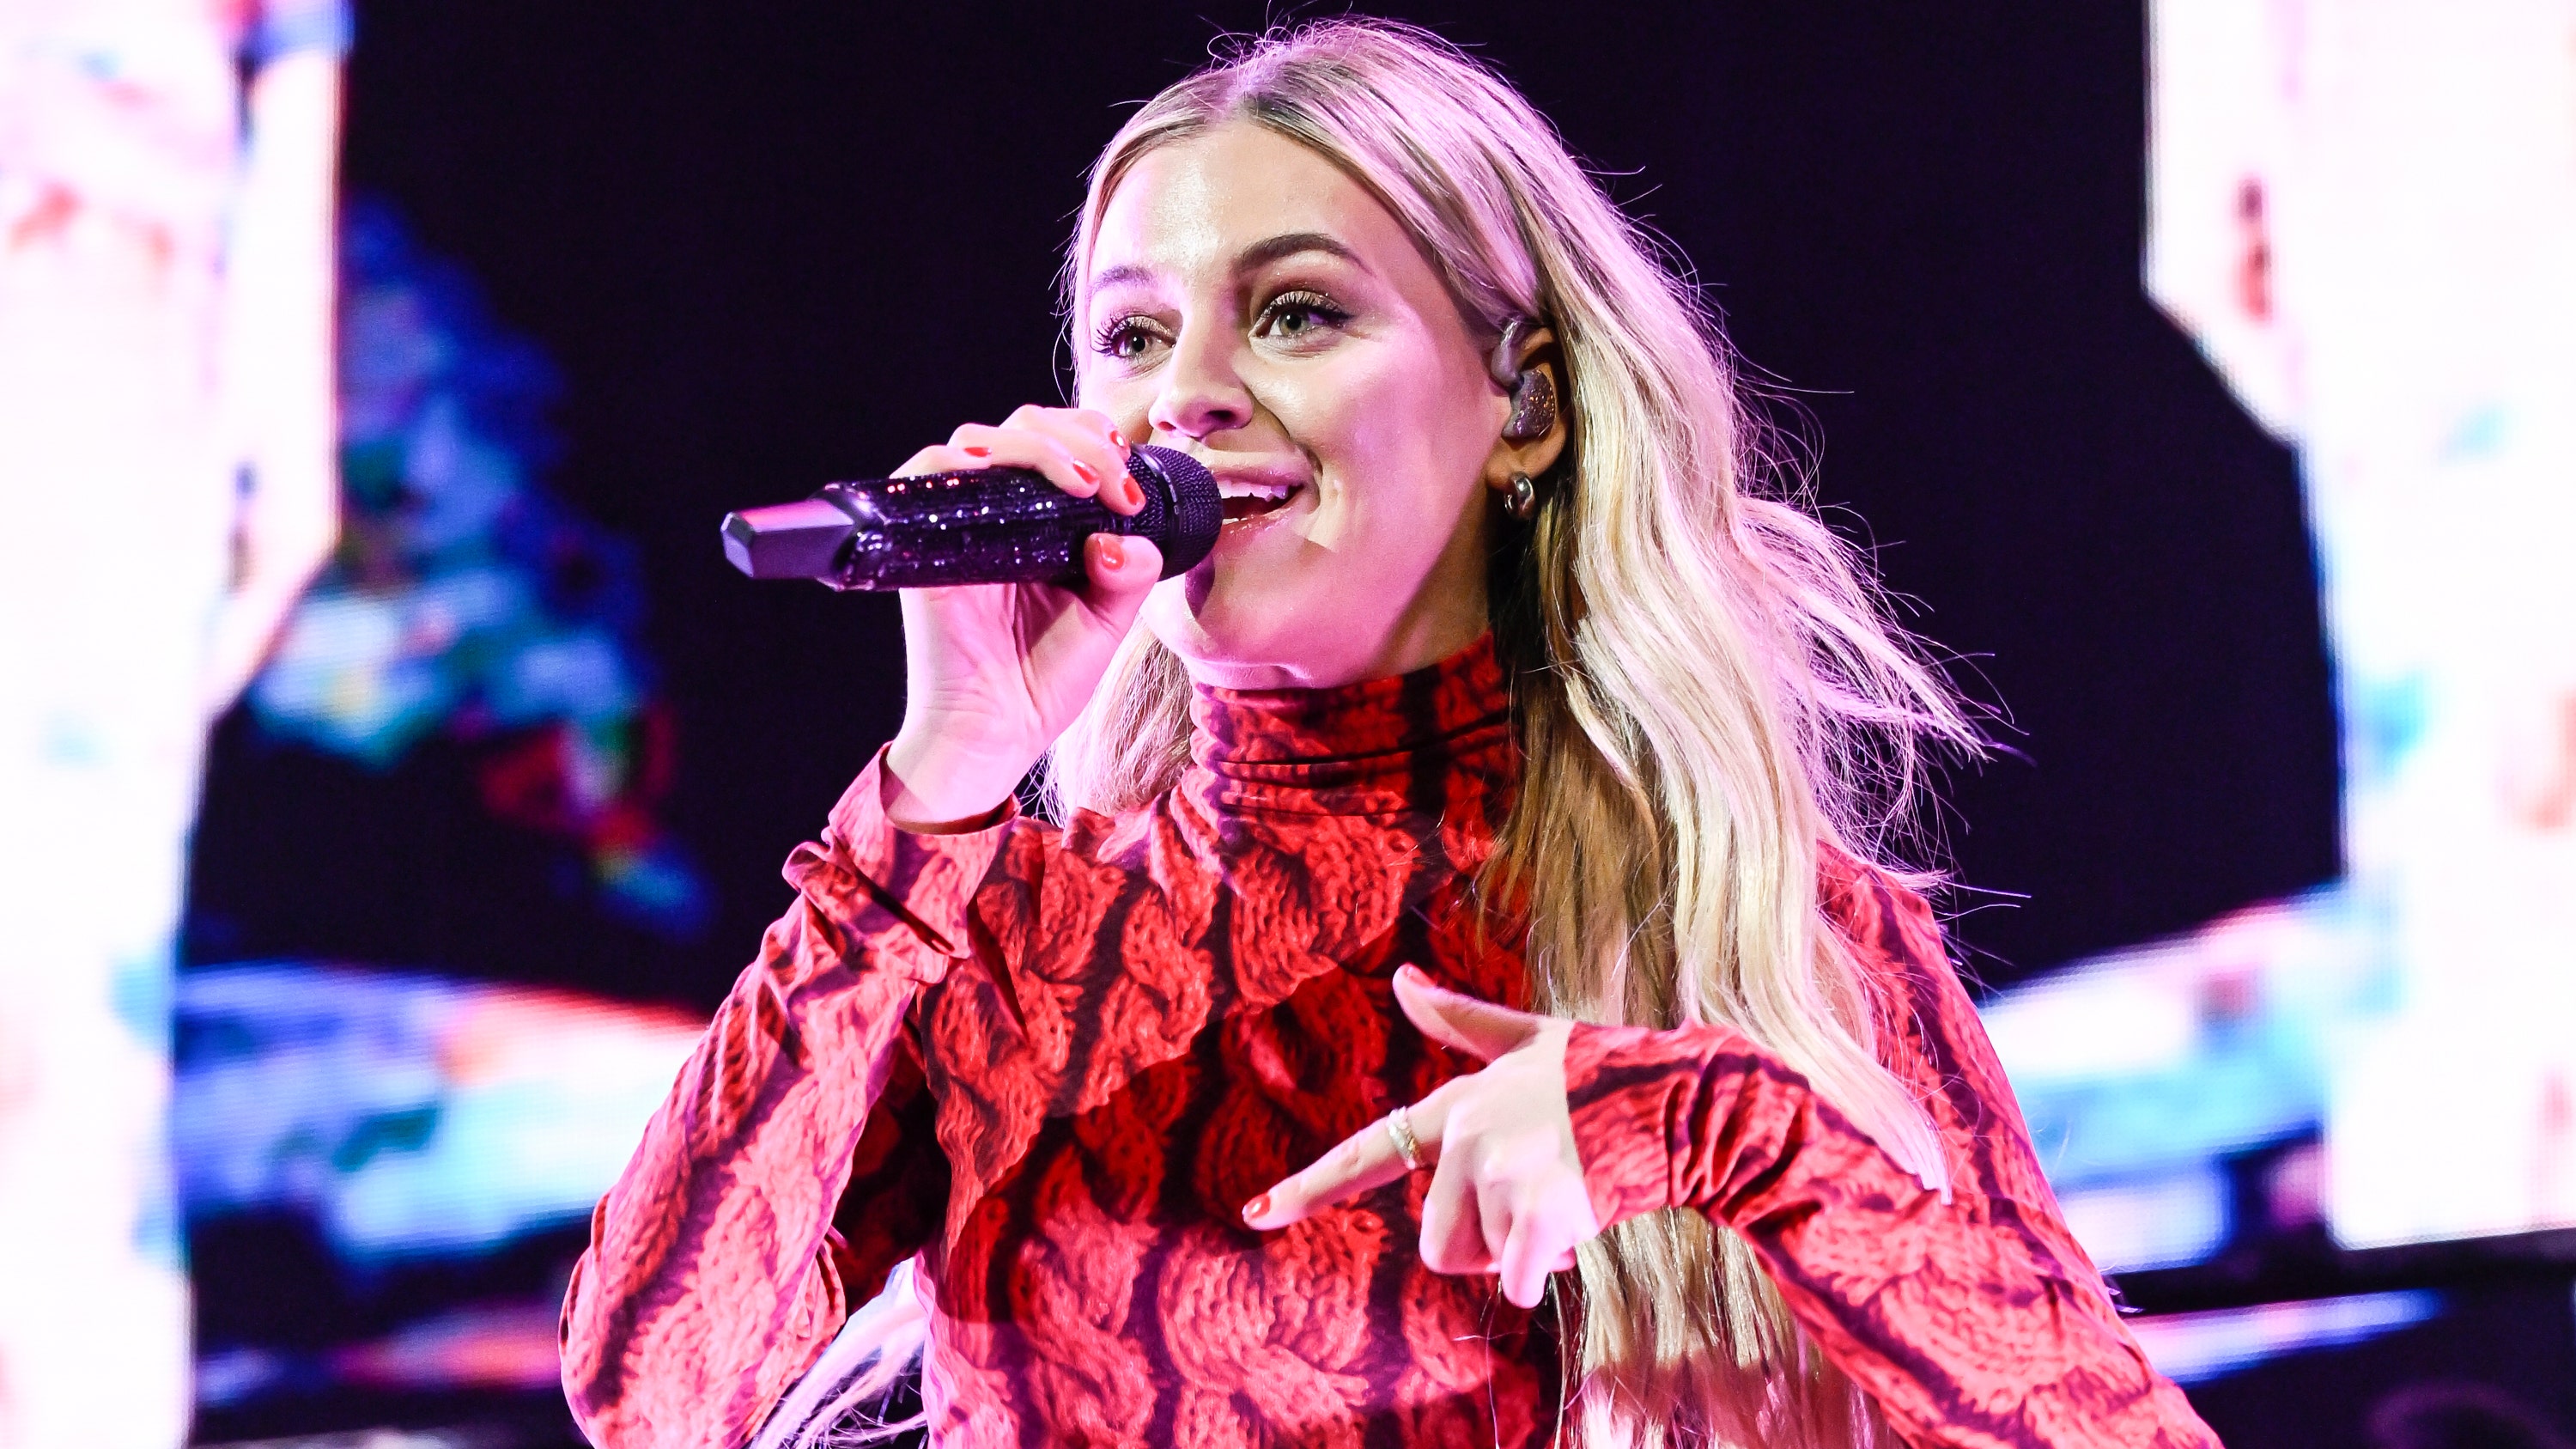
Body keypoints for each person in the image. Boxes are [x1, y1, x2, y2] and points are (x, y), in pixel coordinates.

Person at [561, 21, 2218, 1449]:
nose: (1182, 397)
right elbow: (648, 1393)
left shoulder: (1766, 935)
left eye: (1293, 314)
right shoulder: (991, 939)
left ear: (1532, 407)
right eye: (1134, 334)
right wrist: (938, 789)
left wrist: (1723, 1132)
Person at [0, 0, 345, 1443]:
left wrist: (286, 457)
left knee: (71, 1052)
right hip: (106, 414)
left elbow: (287, 105)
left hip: (96, 421)